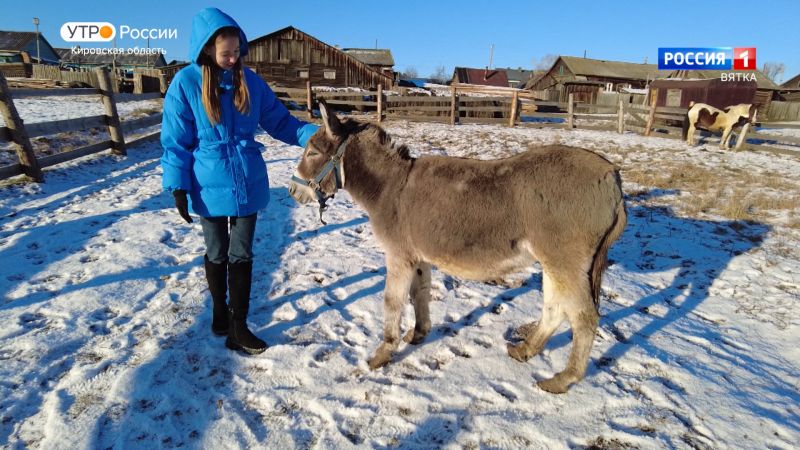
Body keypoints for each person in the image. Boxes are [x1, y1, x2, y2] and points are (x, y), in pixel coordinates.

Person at [160, 7, 318, 355]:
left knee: (241, 254)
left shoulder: (252, 83)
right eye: (225, 53)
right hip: (207, 181)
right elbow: (175, 141)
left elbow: (282, 123)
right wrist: (177, 186)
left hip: (248, 181)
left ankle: (237, 326)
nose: (232, 59)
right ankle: (219, 309)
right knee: (216, 253)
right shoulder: (186, 84)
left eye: (236, 52)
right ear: (206, 51)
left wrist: (317, 136)